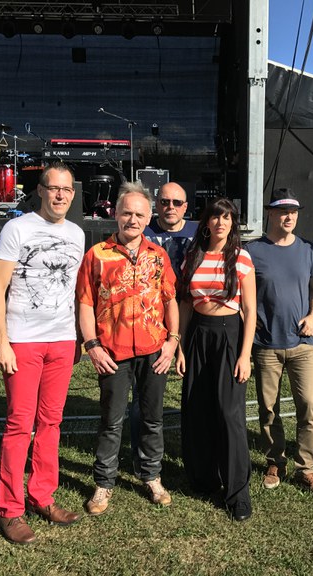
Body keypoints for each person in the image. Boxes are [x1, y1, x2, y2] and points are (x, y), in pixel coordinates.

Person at [0, 161, 85, 544]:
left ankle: (42, 496)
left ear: (73, 194)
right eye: (54, 188)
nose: (60, 195)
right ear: (41, 191)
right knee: (19, 425)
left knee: (51, 422)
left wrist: (77, 338)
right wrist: (1, 342)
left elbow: (74, 292)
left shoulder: (77, 234)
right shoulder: (16, 229)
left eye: (67, 189)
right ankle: (10, 510)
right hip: (23, 341)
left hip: (61, 341)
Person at [77, 181, 180, 515]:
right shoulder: (97, 255)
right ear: (116, 215)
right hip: (112, 352)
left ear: (149, 218)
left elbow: (170, 299)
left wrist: (172, 342)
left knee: (152, 419)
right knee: (111, 420)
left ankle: (151, 476)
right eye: (126, 213)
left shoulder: (158, 256)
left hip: (153, 350)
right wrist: (92, 346)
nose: (132, 220)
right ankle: (104, 483)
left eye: (139, 214)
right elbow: (85, 303)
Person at [176, 198, 257, 521]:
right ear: (206, 222)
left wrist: (245, 355)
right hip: (198, 333)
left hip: (229, 334)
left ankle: (238, 492)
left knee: (228, 413)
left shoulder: (241, 257)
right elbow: (185, 304)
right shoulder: (192, 256)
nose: (221, 222)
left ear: (232, 223)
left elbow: (250, 309)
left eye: (226, 218)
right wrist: (180, 345)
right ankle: (204, 478)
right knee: (197, 407)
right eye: (215, 217)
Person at [246, 188, 313, 498]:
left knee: (308, 405)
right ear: (270, 213)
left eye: (293, 211)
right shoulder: (252, 251)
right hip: (266, 343)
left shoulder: (307, 250)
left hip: (303, 343)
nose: (289, 217)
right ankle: (275, 462)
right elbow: (241, 292)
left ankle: (306, 468)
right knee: (268, 408)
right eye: (283, 211)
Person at [122, 182, 197, 476]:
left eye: (177, 202)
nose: (170, 207)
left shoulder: (199, 232)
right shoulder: (142, 229)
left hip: (192, 318)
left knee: (195, 390)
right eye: (165, 201)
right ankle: (141, 459)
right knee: (143, 396)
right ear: (156, 205)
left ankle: (193, 451)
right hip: (149, 322)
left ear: (185, 207)